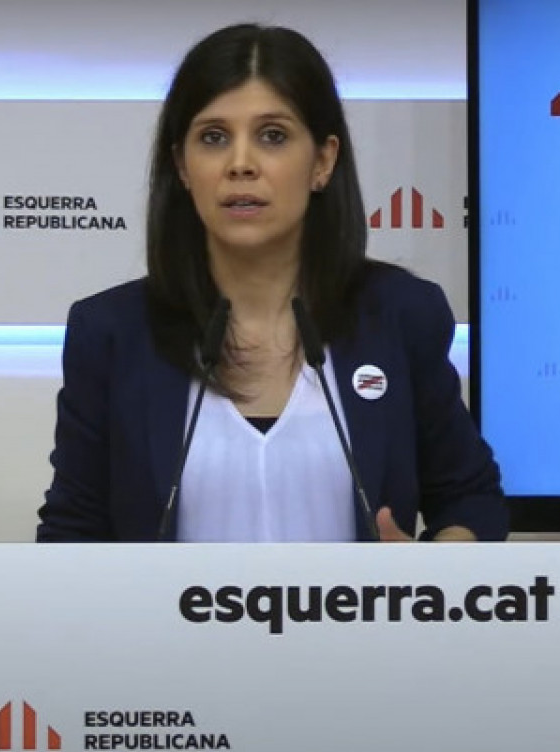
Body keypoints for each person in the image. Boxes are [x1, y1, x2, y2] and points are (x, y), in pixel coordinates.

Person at [36, 23, 508, 543]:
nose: (241, 164)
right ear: (182, 166)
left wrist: (435, 566)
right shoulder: (112, 332)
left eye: (273, 136)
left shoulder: (398, 314)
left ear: (322, 161)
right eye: (213, 138)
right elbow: (71, 531)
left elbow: (472, 498)